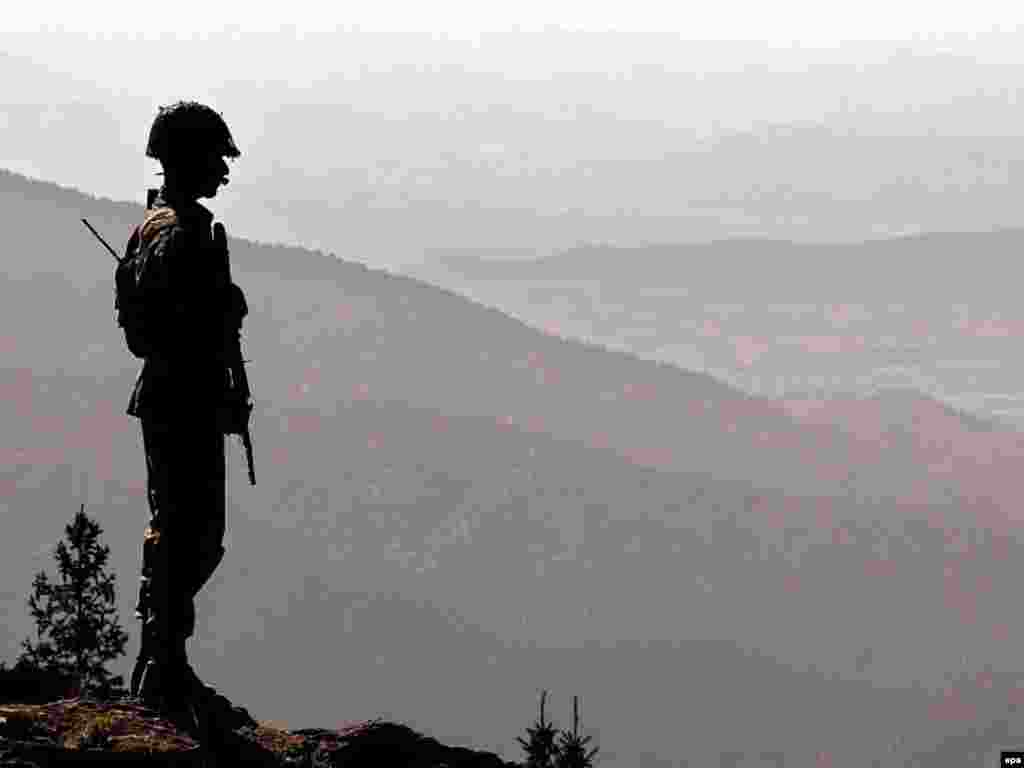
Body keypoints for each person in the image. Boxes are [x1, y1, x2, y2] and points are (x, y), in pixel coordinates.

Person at [122, 101, 252, 731]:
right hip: (185, 400)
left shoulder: (154, 227)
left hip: (172, 397)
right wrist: (220, 314)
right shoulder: (185, 235)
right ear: (189, 157)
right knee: (192, 531)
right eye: (215, 159)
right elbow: (169, 326)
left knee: (180, 527)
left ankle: (161, 656)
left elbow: (139, 324)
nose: (223, 172)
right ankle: (163, 663)